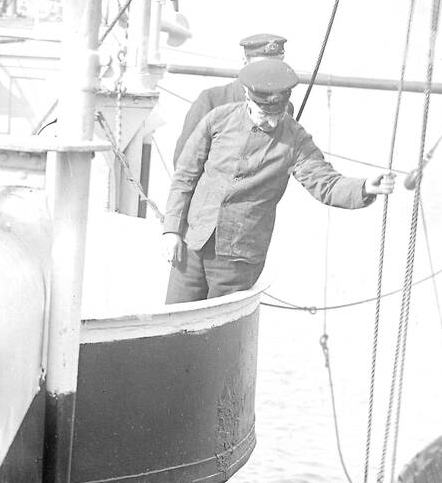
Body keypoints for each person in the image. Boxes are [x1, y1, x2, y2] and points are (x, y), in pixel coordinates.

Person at [162, 59, 395, 304]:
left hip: (237, 259)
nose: (272, 122)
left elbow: (325, 183)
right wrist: (171, 230)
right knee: (173, 324)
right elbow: (185, 176)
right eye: (265, 113)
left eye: (278, 113)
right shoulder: (218, 120)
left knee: (218, 331)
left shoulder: (295, 140)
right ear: (247, 97)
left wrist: (365, 187)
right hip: (191, 246)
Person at [172, 32, 291, 162]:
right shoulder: (212, 100)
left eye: (275, 67)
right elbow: (183, 162)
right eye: (260, 67)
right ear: (245, 62)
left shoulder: (285, 108)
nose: (268, 73)